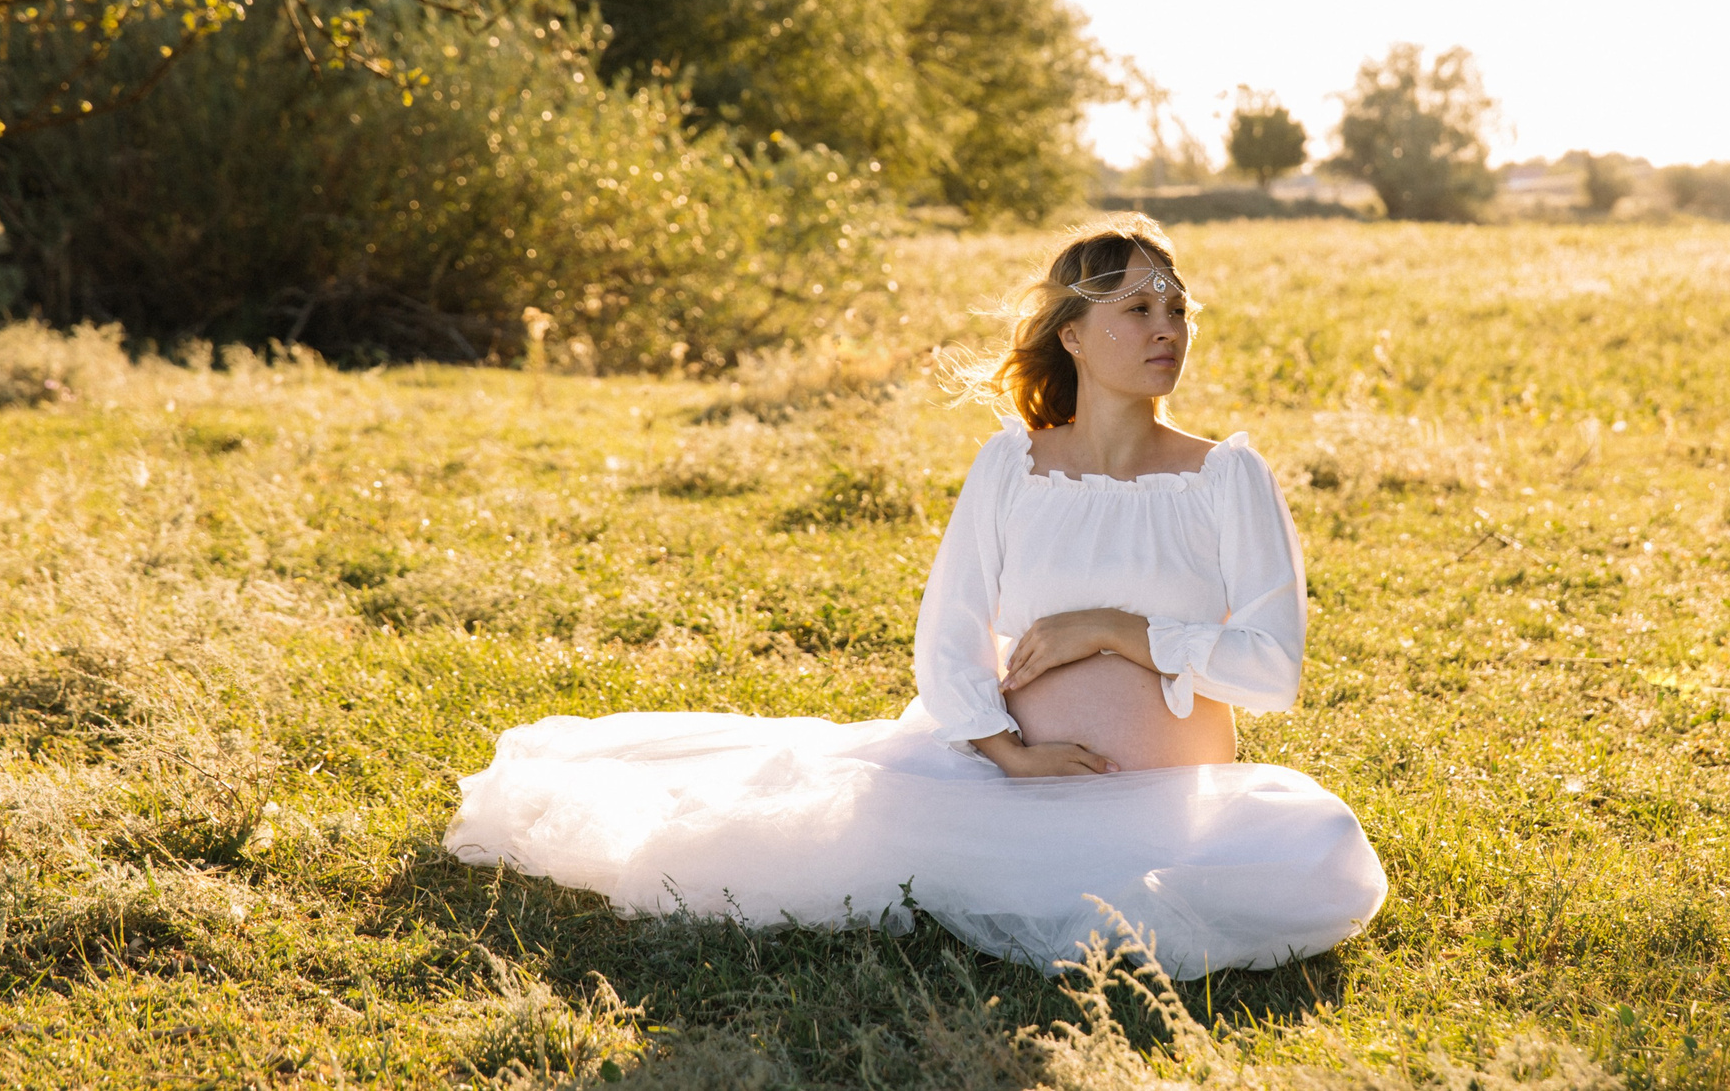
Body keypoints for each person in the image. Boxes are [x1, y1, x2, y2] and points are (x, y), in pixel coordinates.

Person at [443, 217, 1388, 976]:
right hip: (1001, 789)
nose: (1167, 329)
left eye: (1177, 309)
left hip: (1176, 805)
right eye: (1137, 309)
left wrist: (1112, 629)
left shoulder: (1226, 477)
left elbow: (1271, 670)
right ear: (1072, 334)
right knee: (757, 851)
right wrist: (1011, 756)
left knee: (1322, 849)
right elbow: (949, 634)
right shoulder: (1013, 467)